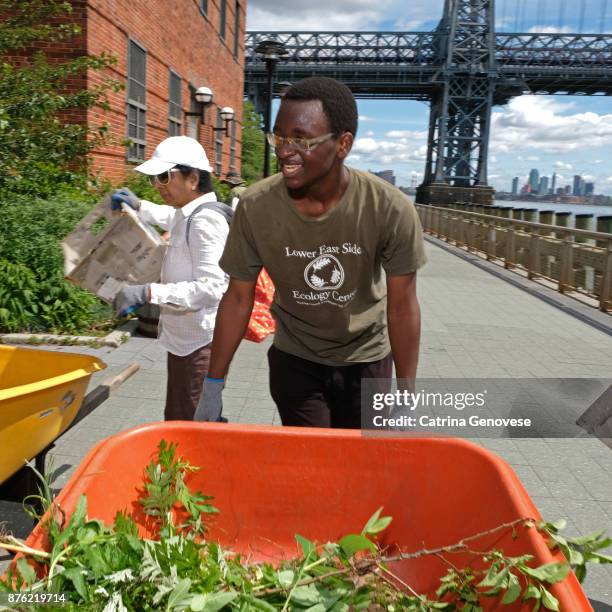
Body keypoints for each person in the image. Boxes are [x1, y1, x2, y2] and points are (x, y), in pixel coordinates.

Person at [195, 77, 426, 428]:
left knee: (364, 469)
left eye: (301, 140)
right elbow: (238, 298)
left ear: (343, 144)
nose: (285, 151)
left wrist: (406, 395)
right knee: (313, 463)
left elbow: (402, 305)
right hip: (296, 358)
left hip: (368, 359)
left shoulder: (388, 208)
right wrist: (213, 386)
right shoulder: (256, 207)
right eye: (280, 137)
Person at [111, 136, 230, 421]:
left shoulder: (204, 220)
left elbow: (212, 288)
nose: (157, 185)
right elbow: (169, 217)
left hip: (200, 343)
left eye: (164, 177)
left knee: (192, 424)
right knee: (183, 418)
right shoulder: (187, 213)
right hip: (185, 340)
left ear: (193, 178)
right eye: (154, 179)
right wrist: (139, 205)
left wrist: (148, 293)